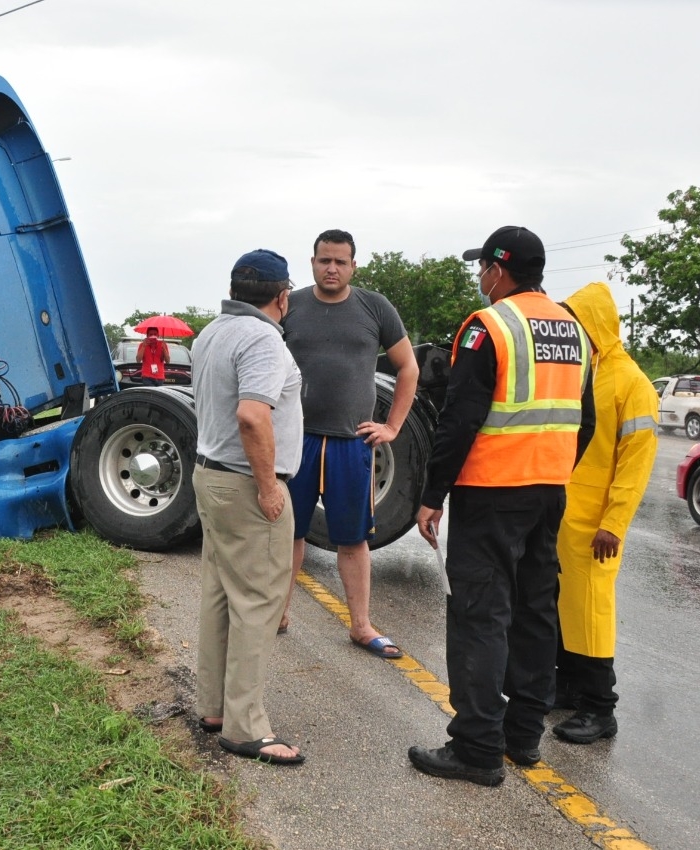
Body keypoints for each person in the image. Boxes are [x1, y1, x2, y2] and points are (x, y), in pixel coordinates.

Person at [409, 225, 596, 786]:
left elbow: (459, 420)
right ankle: (522, 737)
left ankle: (476, 748)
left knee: (480, 615)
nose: (479, 278)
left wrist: (430, 495)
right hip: (548, 493)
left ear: (499, 269)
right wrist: (554, 469)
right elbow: (583, 421)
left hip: (492, 493)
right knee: (535, 612)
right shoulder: (574, 329)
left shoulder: (489, 326)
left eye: (482, 267)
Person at [277, 229, 419, 658]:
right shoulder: (290, 305)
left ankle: (361, 625)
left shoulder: (374, 307)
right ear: (313, 262)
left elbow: (408, 368)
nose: (332, 268)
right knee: (288, 535)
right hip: (295, 441)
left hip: (350, 445)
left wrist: (392, 427)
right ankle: (276, 614)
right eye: (324, 260)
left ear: (354, 265)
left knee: (353, 539)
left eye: (340, 261)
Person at [191, 248, 305, 766]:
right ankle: (245, 727)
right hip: (244, 484)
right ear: (283, 296)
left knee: (221, 593)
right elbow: (253, 417)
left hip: (210, 476)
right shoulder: (263, 338)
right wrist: (268, 488)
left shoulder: (213, 332)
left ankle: (215, 707)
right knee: (258, 602)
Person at [552, 281, 659, 744]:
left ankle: (600, 709)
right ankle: (567, 688)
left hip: (597, 525)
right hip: (566, 517)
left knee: (593, 611)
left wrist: (613, 524)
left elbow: (635, 466)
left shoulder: (633, 384)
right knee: (563, 607)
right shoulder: (585, 372)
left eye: (578, 320)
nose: (572, 328)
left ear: (596, 323)